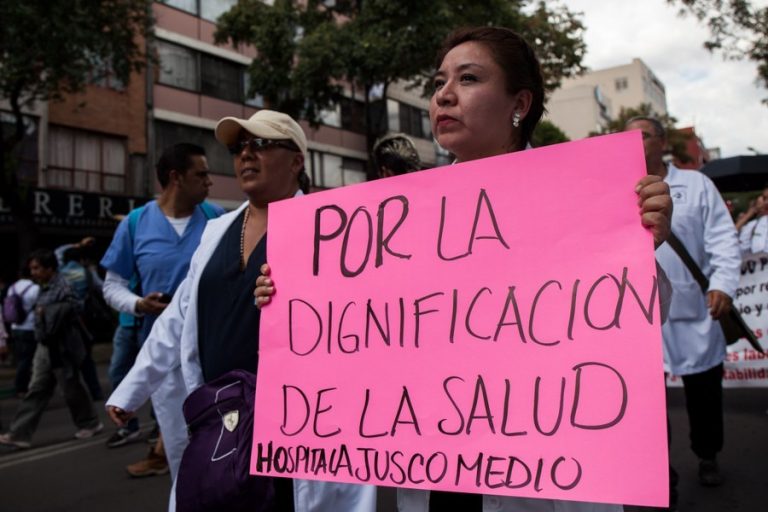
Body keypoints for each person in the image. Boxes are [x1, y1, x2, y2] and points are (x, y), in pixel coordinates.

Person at [256, 27, 672, 512]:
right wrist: (290, 295)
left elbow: (636, 321)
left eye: (468, 78)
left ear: (519, 102)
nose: (444, 96)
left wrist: (643, 245)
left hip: (542, 466)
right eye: (438, 84)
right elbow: (366, 326)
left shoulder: (585, 196)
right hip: (435, 464)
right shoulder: (399, 220)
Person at [104, 110, 376, 512]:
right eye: (239, 147)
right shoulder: (217, 231)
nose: (246, 155)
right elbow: (178, 319)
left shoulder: (331, 229)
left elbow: (362, 317)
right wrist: (132, 388)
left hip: (297, 421)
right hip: (222, 418)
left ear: (296, 161)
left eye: (261, 144)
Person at [625, 116, 740, 489]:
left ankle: (708, 455)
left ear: (661, 142)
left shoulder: (696, 184)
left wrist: (722, 284)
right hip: (642, 314)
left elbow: (722, 237)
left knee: (703, 394)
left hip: (695, 313)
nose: (633, 141)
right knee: (649, 407)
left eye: (642, 135)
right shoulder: (617, 187)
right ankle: (662, 474)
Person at [100, 143, 223, 477]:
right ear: (176, 178)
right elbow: (111, 286)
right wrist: (139, 304)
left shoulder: (218, 221)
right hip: (163, 352)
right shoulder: (136, 224)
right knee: (180, 448)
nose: (209, 181)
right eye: (201, 174)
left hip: (214, 352)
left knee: (221, 447)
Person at [0, 249, 102, 450]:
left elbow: (75, 307)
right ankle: (19, 433)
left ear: (50, 268)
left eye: (37, 268)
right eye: (32, 269)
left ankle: (90, 422)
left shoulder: (64, 285)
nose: (34, 272)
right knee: (37, 388)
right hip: (45, 345)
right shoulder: (42, 287)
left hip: (63, 346)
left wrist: (47, 312)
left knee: (71, 388)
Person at [4, 268, 40, 396]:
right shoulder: (35, 288)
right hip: (29, 327)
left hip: (15, 326)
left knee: (21, 358)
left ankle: (23, 385)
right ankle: (22, 387)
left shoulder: (12, 287)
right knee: (28, 359)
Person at [737, 188, 768, 253]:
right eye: (765, 198)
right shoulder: (753, 225)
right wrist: (749, 214)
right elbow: (728, 239)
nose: (766, 203)